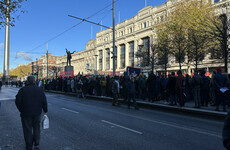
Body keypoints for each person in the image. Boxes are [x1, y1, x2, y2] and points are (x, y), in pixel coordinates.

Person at [15, 76, 48, 150]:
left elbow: (17, 101)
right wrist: (45, 110)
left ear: (27, 81)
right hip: (37, 113)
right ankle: (36, 143)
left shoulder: (23, 90)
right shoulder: (40, 90)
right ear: (34, 81)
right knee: (36, 128)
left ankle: (29, 145)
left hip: (26, 113)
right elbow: (44, 101)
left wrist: (21, 109)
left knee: (27, 129)